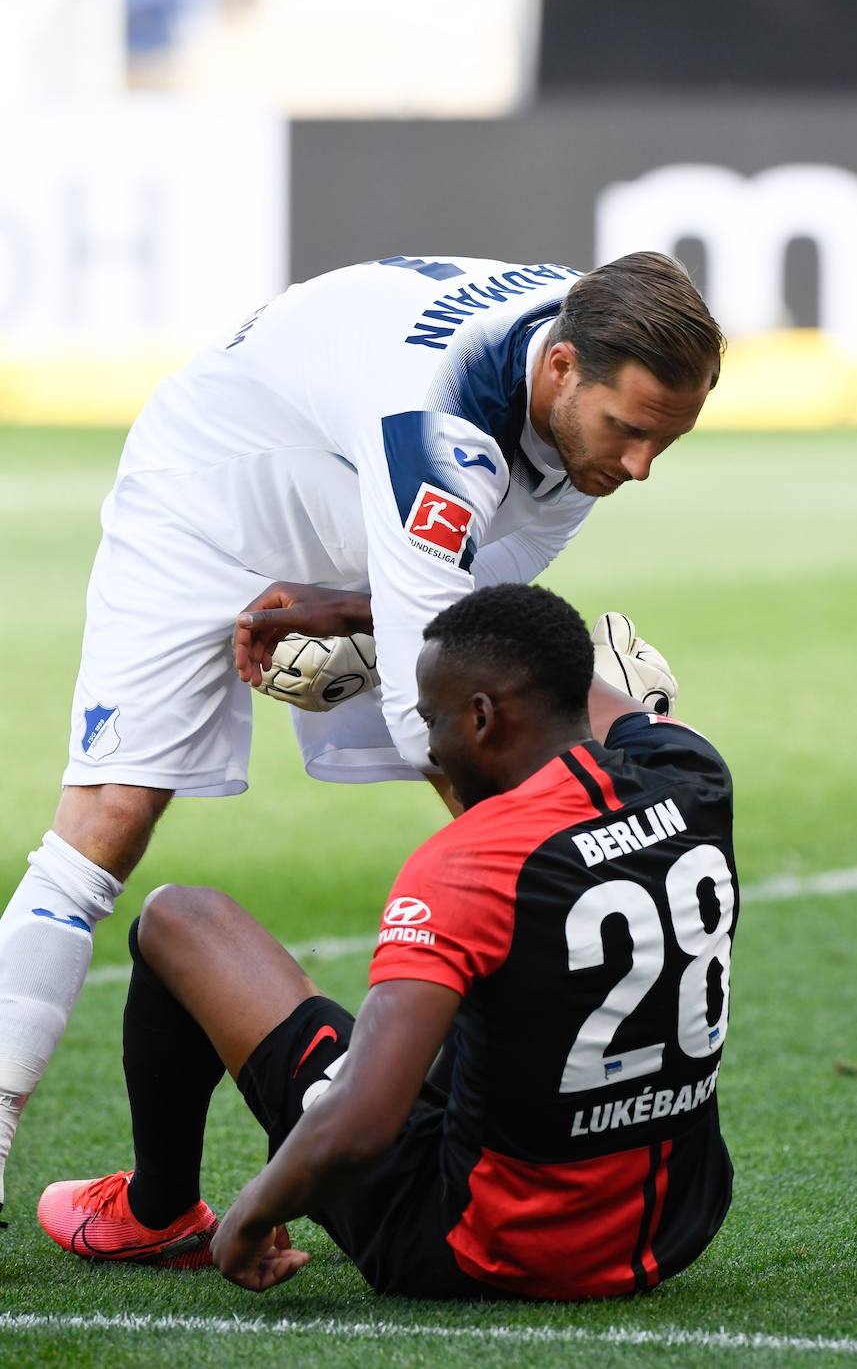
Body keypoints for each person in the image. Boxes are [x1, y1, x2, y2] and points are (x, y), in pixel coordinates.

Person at [0, 250, 724, 1221]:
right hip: (220, 485)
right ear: (559, 371)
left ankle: (527, 1081)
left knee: (511, 735)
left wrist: (353, 607)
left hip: (366, 468)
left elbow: (485, 629)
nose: (638, 468)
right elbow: (434, 718)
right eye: (629, 432)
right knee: (109, 820)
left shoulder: (601, 343)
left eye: (664, 444)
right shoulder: (444, 422)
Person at [38, 584, 740, 1300]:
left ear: (482, 716)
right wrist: (377, 612)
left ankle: (159, 1213)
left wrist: (255, 1212)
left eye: (429, 718)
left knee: (178, 919)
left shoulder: (469, 863)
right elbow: (581, 683)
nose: (427, 743)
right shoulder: (693, 774)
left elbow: (362, 1125)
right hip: (678, 1220)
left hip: (486, 1249)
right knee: (511, 996)